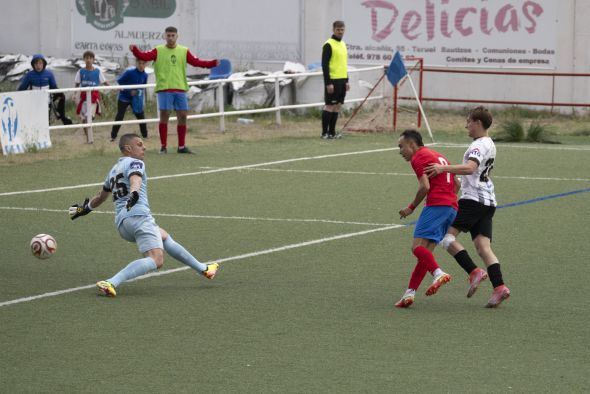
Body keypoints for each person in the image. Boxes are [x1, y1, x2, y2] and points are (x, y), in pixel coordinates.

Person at [68, 133, 219, 297]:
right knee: (156, 260)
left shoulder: (113, 170)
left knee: (163, 236)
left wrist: (85, 208)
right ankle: (111, 282)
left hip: (122, 224)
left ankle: (204, 269)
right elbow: (135, 180)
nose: (144, 147)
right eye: (139, 144)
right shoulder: (135, 163)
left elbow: (100, 196)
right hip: (139, 217)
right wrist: (134, 194)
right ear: (128, 148)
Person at [425, 107, 510, 308]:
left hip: (473, 200)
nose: (466, 126)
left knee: (446, 237)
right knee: (483, 247)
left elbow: (470, 168)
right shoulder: (489, 143)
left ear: (478, 123)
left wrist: (442, 168)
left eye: (469, 122)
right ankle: (499, 287)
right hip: (488, 201)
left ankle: (474, 271)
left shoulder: (479, 145)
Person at [129, 26, 219, 154]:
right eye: (168, 35)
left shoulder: (183, 51)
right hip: (165, 89)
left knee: (183, 116)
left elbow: (197, 62)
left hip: (180, 88)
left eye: (173, 35)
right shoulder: (158, 50)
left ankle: (181, 147)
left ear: (177, 36)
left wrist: (212, 64)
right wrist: (135, 50)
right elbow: (143, 56)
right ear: (165, 36)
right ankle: (163, 147)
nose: (170, 38)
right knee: (164, 115)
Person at [395, 129, 459, 308]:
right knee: (425, 254)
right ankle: (409, 294)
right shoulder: (438, 155)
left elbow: (424, 187)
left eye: (401, 147)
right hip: (451, 208)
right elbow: (457, 183)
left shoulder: (418, 157)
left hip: (437, 205)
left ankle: (438, 273)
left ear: (412, 144)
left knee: (416, 248)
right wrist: (448, 200)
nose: (400, 151)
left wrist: (411, 207)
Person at [18, 54, 73, 125]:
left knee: (46, 122)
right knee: (35, 121)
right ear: (33, 64)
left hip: (46, 101)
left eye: (40, 63)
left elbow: (54, 87)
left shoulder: (49, 74)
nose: (38, 65)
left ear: (43, 64)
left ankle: (61, 117)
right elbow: (22, 88)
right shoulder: (29, 75)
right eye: (36, 63)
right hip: (33, 101)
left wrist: (60, 94)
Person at [321, 20, 349, 139]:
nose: (340, 32)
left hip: (342, 80)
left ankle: (332, 132)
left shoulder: (343, 44)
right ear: (333, 30)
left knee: (337, 106)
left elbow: (344, 64)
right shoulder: (328, 44)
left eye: (342, 29)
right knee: (329, 106)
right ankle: (324, 133)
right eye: (338, 29)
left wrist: (347, 80)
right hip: (333, 80)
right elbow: (325, 65)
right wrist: (328, 83)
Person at [74, 50, 109, 144]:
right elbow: (77, 84)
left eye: (90, 58)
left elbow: (105, 82)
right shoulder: (80, 72)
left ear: (93, 60)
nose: (88, 60)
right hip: (83, 98)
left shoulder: (97, 72)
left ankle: (90, 139)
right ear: (84, 59)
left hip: (93, 99)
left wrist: (113, 88)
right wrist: (74, 94)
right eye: (86, 58)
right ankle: (88, 138)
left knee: (88, 118)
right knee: (84, 120)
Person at [110, 59, 149, 141]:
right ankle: (113, 136)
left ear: (146, 64)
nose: (141, 65)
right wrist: (129, 90)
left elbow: (143, 87)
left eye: (143, 63)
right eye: (139, 63)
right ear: (136, 63)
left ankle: (145, 135)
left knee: (140, 115)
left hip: (136, 99)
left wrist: (140, 97)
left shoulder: (145, 75)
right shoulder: (129, 72)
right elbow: (120, 82)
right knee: (120, 116)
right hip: (124, 97)